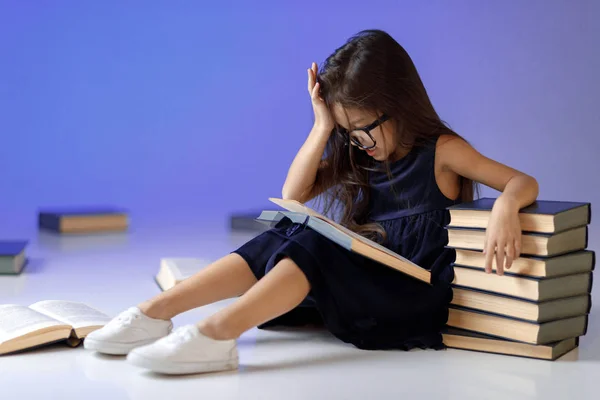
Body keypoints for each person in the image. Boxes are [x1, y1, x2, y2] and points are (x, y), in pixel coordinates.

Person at [83, 29, 539, 375]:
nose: (359, 142)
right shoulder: (359, 153)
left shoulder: (442, 151)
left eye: (364, 127)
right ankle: (154, 313)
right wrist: (323, 126)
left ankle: (216, 333)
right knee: (291, 228)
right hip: (367, 282)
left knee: (315, 243)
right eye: (348, 132)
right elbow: (293, 196)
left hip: (410, 297)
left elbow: (521, 180)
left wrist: (505, 207)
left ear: (397, 103)